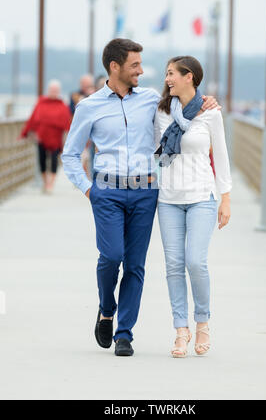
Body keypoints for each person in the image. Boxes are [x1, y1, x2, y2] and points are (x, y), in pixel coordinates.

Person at [61, 39, 220, 357]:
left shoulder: (150, 100)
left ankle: (124, 333)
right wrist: (89, 189)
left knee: (135, 265)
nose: (142, 71)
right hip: (106, 191)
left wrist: (205, 102)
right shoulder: (89, 106)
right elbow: (69, 154)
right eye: (135, 65)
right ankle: (107, 309)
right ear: (115, 67)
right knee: (111, 256)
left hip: (146, 192)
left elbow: (183, 107)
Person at [154, 56, 232, 358]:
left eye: (172, 73)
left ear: (190, 77)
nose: (167, 79)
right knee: (174, 265)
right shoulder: (161, 112)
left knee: (195, 262)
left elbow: (222, 156)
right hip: (169, 199)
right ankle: (181, 330)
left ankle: (202, 322)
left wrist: (225, 197)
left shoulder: (210, 113)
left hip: (202, 196)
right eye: (166, 74)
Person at [19, 80, 71, 194]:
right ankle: (45, 182)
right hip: (41, 137)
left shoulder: (62, 105)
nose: (54, 92)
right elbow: (33, 120)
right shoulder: (41, 103)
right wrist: (27, 133)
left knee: (53, 161)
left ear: (59, 91)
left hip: (56, 138)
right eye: (52, 90)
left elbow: (68, 124)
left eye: (56, 90)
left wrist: (68, 139)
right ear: (48, 91)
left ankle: (51, 184)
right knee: (41, 160)